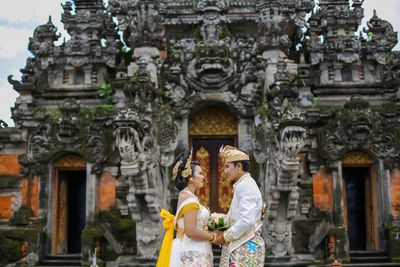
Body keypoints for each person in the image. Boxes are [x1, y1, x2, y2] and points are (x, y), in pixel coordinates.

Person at [157, 149, 215, 267]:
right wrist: (213, 237)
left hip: (193, 251)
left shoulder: (185, 196)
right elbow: (190, 231)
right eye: (200, 173)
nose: (203, 177)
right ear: (190, 177)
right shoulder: (190, 200)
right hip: (193, 255)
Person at [214, 145, 265, 267]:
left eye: (227, 167)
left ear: (239, 166)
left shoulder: (244, 186)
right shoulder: (244, 184)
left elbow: (246, 221)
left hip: (244, 246)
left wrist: (225, 236)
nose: (225, 171)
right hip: (244, 244)